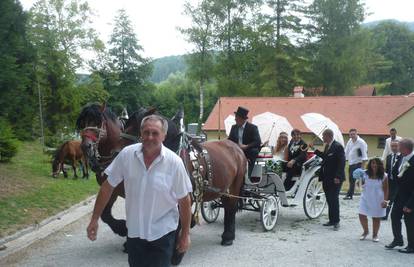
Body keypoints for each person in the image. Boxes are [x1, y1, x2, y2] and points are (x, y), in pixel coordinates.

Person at [86, 115, 193, 267]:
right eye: (146, 132)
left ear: (164, 136)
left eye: (155, 133)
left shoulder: (174, 163)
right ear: (140, 134)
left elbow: (184, 200)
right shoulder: (127, 155)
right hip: (135, 234)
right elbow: (107, 187)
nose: (150, 137)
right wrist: (94, 219)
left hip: (162, 234)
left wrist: (185, 234)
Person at [311, 129, 345, 231]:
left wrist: (338, 177)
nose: (322, 138)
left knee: (334, 199)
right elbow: (325, 157)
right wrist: (314, 149)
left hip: (335, 179)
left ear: (329, 136)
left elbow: (341, 162)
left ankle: (336, 222)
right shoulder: (327, 146)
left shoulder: (338, 147)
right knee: (329, 199)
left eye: (323, 136)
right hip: (326, 178)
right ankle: (331, 220)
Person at [385, 138, 414, 253]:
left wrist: (410, 204)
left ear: (405, 148)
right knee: (394, 217)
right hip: (399, 195)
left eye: (400, 147)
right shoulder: (401, 157)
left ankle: (412, 246)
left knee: (410, 222)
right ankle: (398, 239)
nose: (397, 148)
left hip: (410, 198)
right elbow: (395, 172)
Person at [358, 158, 389, 242]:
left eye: (376, 163)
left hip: (378, 199)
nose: (374, 165)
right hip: (365, 197)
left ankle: (375, 235)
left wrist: (385, 201)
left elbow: (386, 189)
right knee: (361, 214)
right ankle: (365, 231)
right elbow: (360, 184)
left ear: (380, 165)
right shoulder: (365, 174)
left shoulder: (384, 176)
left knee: (376, 218)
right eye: (372, 163)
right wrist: (358, 179)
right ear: (370, 164)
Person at [228, 106, 261, 177]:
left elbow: (257, 141)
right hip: (236, 149)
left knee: (254, 151)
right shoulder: (234, 127)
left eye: (236, 118)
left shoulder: (252, 128)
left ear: (242, 119)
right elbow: (230, 140)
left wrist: (247, 146)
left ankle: (247, 175)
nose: (235, 119)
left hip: (248, 150)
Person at [344, 128, 368, 200]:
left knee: (355, 179)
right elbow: (346, 151)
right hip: (351, 163)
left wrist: (362, 168)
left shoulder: (361, 142)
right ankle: (350, 194)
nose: (352, 136)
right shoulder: (350, 141)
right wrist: (343, 160)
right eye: (351, 134)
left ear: (356, 134)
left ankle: (350, 194)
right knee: (351, 179)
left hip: (358, 163)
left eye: (353, 134)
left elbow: (364, 155)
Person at [383, 141, 402, 220]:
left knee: (398, 199)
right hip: (390, 181)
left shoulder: (402, 156)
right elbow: (387, 170)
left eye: (396, 146)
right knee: (388, 198)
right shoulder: (389, 157)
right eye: (392, 146)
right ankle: (385, 214)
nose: (394, 148)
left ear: (399, 146)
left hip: (399, 182)